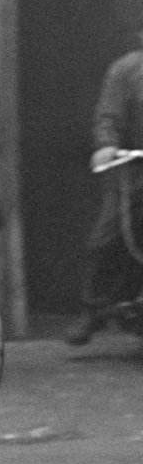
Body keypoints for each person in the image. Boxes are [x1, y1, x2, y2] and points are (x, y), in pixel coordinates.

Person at [66, 34, 143, 345]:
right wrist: (106, 144)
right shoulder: (126, 70)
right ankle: (92, 311)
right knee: (106, 239)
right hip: (134, 171)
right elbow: (108, 116)